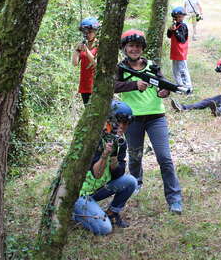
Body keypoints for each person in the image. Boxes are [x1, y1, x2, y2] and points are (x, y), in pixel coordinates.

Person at [115, 29, 184, 214]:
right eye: (131, 46)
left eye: (138, 46)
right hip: (132, 119)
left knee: (165, 158)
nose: (134, 49)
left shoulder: (152, 66)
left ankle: (174, 198)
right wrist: (133, 85)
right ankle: (136, 181)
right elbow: (112, 86)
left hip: (156, 117)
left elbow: (163, 85)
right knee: (135, 155)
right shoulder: (121, 68)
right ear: (125, 48)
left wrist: (165, 92)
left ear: (142, 48)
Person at [73, 100, 138, 235]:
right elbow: (96, 174)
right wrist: (104, 155)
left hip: (98, 190)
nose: (123, 127)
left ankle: (111, 213)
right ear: (109, 121)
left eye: (126, 124)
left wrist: (114, 155)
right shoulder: (93, 139)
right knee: (104, 229)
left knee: (131, 182)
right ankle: (73, 214)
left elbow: (118, 174)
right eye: (120, 122)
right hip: (80, 194)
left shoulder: (120, 142)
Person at [72, 17, 100, 104]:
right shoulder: (83, 45)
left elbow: (96, 64)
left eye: (89, 32)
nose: (87, 34)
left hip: (96, 86)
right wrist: (76, 50)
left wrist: (86, 50)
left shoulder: (99, 45)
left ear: (95, 32)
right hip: (84, 86)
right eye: (85, 32)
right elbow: (75, 63)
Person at [167, 7, 192, 94]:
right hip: (174, 51)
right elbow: (169, 36)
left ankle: (188, 87)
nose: (180, 18)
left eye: (181, 16)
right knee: (175, 70)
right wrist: (170, 30)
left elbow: (182, 39)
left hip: (181, 52)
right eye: (178, 17)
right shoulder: (174, 25)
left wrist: (176, 31)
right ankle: (180, 85)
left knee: (183, 70)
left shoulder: (183, 26)